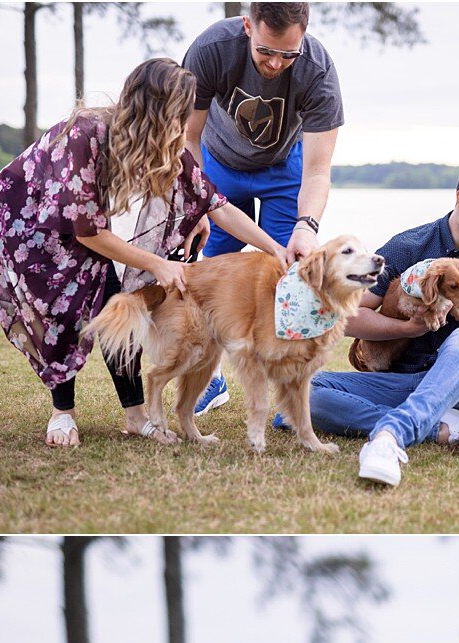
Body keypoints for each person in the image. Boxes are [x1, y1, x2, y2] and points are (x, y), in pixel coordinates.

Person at [0, 57, 287, 450]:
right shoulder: (86, 134)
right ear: (154, 111)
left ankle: (136, 415)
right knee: (60, 311)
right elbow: (88, 232)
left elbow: (218, 203)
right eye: (179, 114)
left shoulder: (165, 143)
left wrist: (274, 248)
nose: (185, 125)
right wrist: (157, 263)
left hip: (78, 223)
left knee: (115, 307)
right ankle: (62, 412)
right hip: (24, 217)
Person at [293, 147, 459, 488]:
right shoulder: (407, 247)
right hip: (404, 382)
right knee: (307, 393)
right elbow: (350, 315)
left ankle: (391, 435)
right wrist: (406, 328)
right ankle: (443, 427)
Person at [182, 1, 344, 414]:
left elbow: (318, 170)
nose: (275, 64)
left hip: (283, 167)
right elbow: (187, 138)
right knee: (216, 264)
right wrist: (198, 202)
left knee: (286, 269)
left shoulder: (318, 72)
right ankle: (210, 377)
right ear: (247, 26)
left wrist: (307, 225)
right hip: (216, 162)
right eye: (265, 51)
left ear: (304, 35)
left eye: (287, 54)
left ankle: (287, 383)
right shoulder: (213, 49)